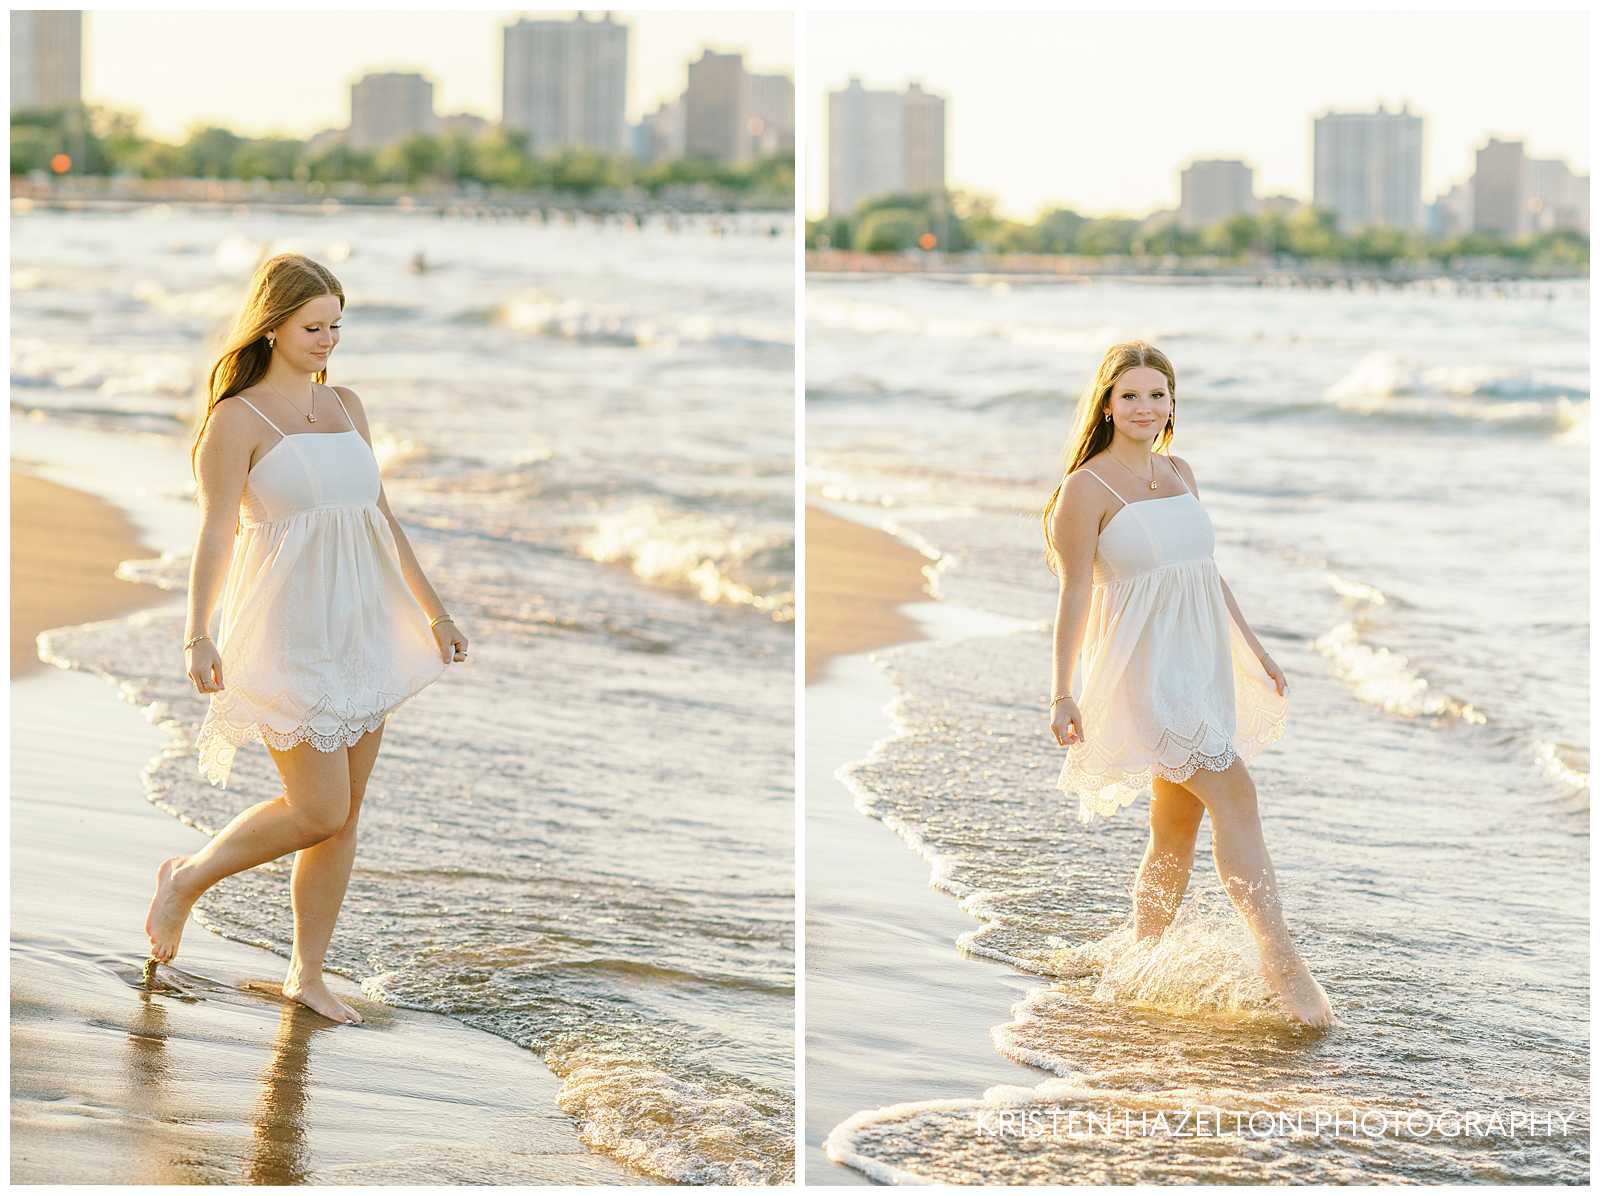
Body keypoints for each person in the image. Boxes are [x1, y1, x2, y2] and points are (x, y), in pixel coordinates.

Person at [143, 252, 468, 1024]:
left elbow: (380, 518)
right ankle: (186, 878)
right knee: (316, 808)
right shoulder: (237, 420)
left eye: (336, 326)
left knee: (345, 813)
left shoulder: (349, 406)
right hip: (288, 630)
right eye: (313, 326)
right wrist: (198, 633)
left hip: (363, 622)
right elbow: (215, 534)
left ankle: (306, 973)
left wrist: (435, 610)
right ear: (274, 325)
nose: (328, 340)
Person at [1040, 340, 1332, 1028]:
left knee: (1175, 826)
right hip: (1145, 672)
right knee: (1235, 790)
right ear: (1106, 404)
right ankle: (1279, 959)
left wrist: (1256, 652)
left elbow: (1206, 570)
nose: (1147, 408)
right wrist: (1062, 691)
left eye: (1158, 395)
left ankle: (1142, 955)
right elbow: (1074, 594)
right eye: (1132, 395)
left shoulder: (1179, 472)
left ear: (1173, 403)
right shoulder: (1085, 490)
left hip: (1199, 665)